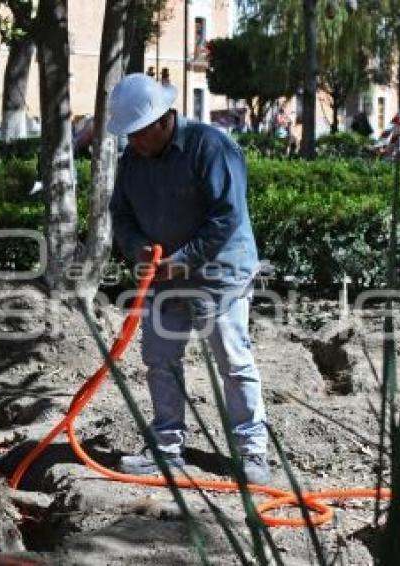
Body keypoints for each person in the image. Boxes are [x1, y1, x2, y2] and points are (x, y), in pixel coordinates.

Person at [107, 73, 270, 484]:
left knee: (232, 361)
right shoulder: (133, 160)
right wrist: (137, 246)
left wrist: (186, 260)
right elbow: (121, 215)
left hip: (219, 275)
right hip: (164, 278)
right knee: (160, 358)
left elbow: (227, 215)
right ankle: (167, 446)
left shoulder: (210, 147)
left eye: (139, 134)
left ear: (164, 120)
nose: (133, 143)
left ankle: (253, 452)